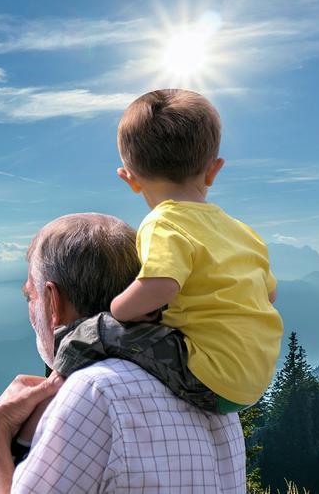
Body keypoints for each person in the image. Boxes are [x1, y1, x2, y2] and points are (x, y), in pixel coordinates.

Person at [52, 89, 283, 414]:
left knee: (89, 334)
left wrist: (119, 308)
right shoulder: (243, 232)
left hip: (209, 376)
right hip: (255, 379)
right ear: (213, 170)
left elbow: (162, 286)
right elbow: (269, 297)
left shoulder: (163, 222)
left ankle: (43, 415)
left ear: (129, 178)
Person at [0, 213, 246, 493]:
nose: (29, 307)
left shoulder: (94, 392)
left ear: (53, 303)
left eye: (29, 296)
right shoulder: (205, 383)